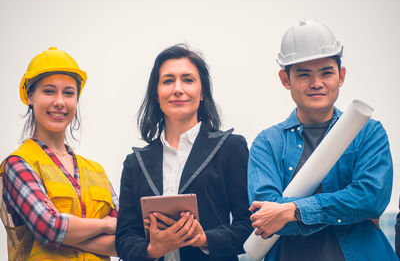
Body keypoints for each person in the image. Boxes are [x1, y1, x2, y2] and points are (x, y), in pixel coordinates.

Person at [247, 20, 398, 260]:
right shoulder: (267, 144)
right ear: (285, 80)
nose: (316, 83)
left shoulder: (368, 132)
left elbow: (371, 198)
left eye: (326, 72)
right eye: (304, 74)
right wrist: (345, 208)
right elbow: (266, 219)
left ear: (341, 76)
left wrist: (292, 209)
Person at [116, 44, 252, 261]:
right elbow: (124, 238)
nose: (177, 89)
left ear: (202, 92)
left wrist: (204, 238)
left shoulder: (230, 148)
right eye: (168, 80)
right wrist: (153, 249)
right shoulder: (136, 163)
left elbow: (249, 224)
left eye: (188, 80)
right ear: (156, 94)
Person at [0, 47, 119, 260]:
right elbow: (50, 228)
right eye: (49, 91)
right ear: (30, 96)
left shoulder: (96, 171)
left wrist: (69, 234)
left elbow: (123, 238)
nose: (60, 102)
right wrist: (106, 224)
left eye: (68, 93)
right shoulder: (19, 164)